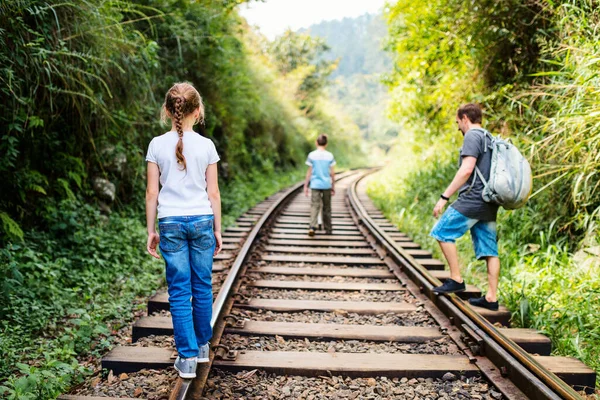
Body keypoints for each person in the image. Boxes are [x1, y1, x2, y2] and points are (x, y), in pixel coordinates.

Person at [145, 82, 222, 379]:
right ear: (198, 111)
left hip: (171, 222)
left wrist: (151, 230)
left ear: (167, 111)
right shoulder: (207, 146)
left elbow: (152, 192)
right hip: (202, 219)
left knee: (179, 291)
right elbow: (213, 193)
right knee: (202, 285)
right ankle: (202, 347)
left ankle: (187, 357)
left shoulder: (156, 144)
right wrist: (217, 228)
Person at [430, 103, 500, 311]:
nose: (458, 127)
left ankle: (456, 278)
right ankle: (491, 298)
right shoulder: (489, 137)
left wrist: (444, 197)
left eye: (458, 122)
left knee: (441, 232)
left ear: (465, 119)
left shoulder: (472, 136)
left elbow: (466, 170)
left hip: (473, 198)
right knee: (490, 250)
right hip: (489, 201)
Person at [303, 134, 336, 236]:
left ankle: (312, 226)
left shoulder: (311, 155)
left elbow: (309, 171)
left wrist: (306, 185)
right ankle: (328, 229)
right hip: (326, 184)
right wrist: (333, 185)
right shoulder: (329, 155)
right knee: (327, 207)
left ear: (316, 142)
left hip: (315, 184)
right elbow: (332, 173)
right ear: (326, 144)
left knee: (314, 206)